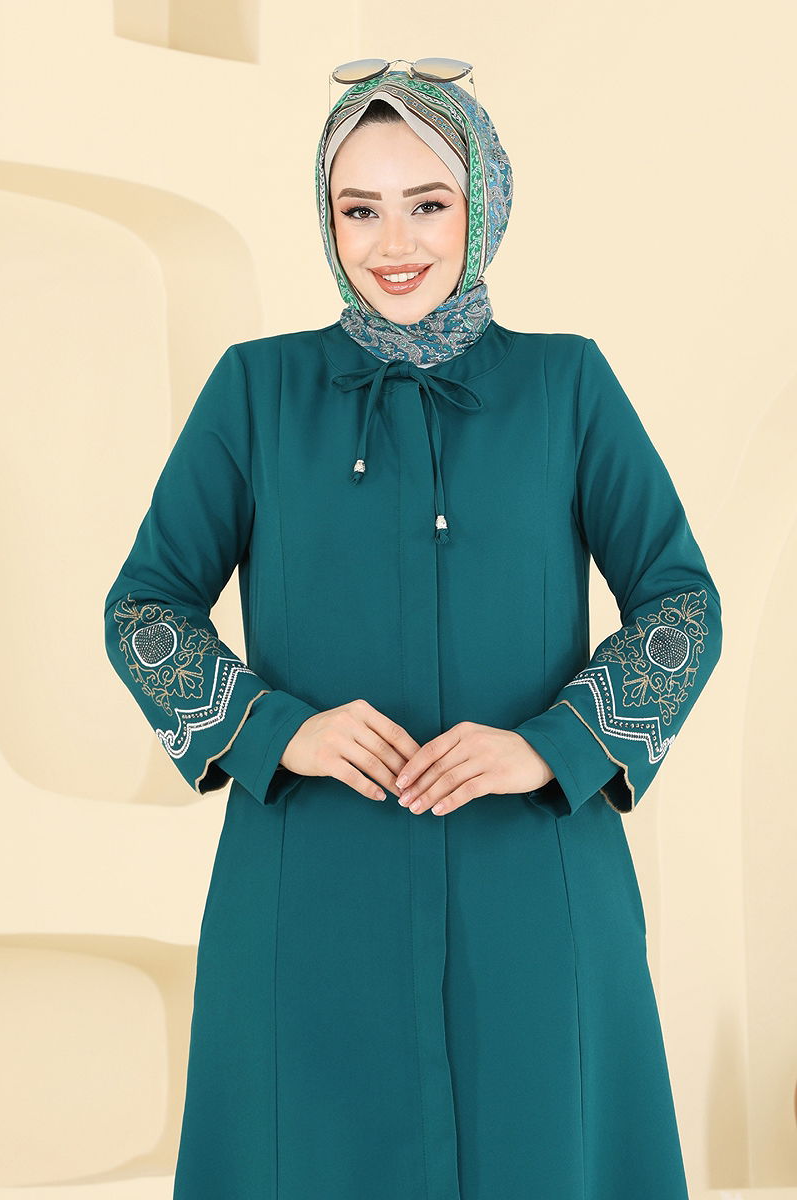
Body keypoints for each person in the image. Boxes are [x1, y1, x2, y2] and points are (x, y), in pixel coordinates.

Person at [103, 61, 723, 1200]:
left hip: (531, 887)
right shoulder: (254, 391)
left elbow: (680, 600)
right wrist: (277, 729)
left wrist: (551, 746)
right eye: (360, 208)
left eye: (427, 202)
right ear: (327, 218)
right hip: (310, 892)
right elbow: (146, 607)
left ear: (481, 203)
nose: (392, 242)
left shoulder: (568, 384)